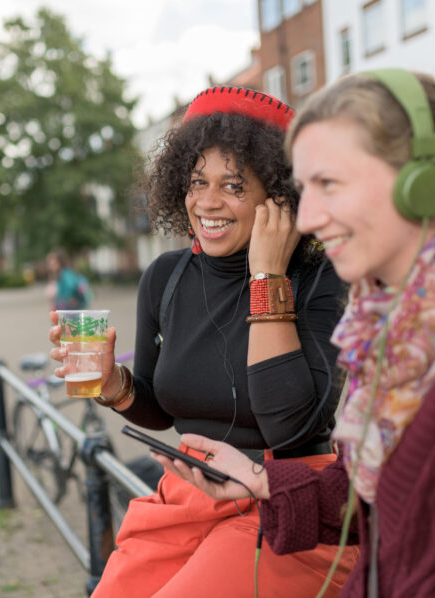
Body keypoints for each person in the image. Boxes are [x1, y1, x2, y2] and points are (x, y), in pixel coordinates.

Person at [155, 69, 435, 597]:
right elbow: (371, 497)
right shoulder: (399, 321)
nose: (310, 217)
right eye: (305, 188)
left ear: (419, 184)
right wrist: (259, 481)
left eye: (329, 185)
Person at [48, 86, 357, 597]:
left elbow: (290, 424)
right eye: (197, 182)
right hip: (189, 495)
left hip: (288, 503)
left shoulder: (322, 277)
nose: (207, 202)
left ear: (280, 195)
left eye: (233, 185)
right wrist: (111, 384)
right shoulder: (166, 276)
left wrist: (266, 277)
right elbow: (162, 409)